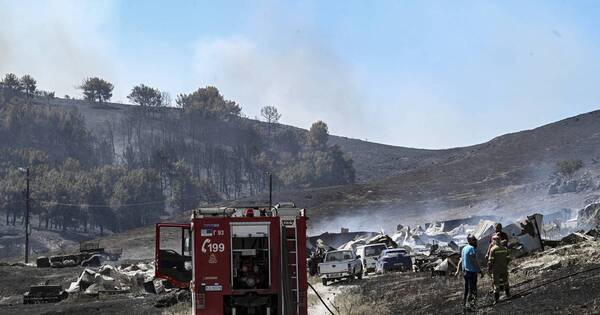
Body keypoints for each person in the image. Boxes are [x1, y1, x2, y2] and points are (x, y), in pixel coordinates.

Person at [455, 234, 484, 310]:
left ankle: (464, 304)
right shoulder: (471, 248)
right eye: (473, 240)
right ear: (469, 241)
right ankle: (471, 306)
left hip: (465, 272)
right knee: (473, 289)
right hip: (471, 272)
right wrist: (480, 270)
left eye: (475, 239)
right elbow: (474, 261)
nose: (475, 241)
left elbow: (460, 261)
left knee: (467, 289)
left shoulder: (464, 248)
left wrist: (458, 271)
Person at [488, 235, 511, 304]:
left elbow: (490, 260)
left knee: (496, 284)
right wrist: (505, 264)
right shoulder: (505, 248)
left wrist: (489, 268)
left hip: (496, 269)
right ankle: (508, 295)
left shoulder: (493, 249)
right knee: (506, 281)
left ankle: (496, 300)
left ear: (494, 241)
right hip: (504, 268)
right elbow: (508, 258)